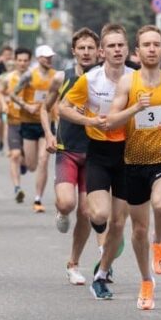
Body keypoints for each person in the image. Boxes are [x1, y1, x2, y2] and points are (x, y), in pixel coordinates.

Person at [105, 25, 161, 310]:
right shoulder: (128, 84)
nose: (152, 49)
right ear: (137, 51)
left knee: (160, 204)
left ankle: (160, 242)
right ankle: (146, 281)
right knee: (137, 230)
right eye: (146, 45)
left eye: (156, 44)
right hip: (134, 161)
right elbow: (110, 121)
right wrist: (135, 108)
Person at [57, 24, 133, 300]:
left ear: (127, 49)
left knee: (118, 224)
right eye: (111, 46)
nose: (116, 50)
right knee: (98, 215)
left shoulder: (136, 78)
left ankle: (101, 275)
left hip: (128, 153)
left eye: (120, 45)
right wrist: (89, 120)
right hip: (98, 152)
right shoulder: (90, 80)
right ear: (103, 52)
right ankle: (102, 248)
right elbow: (62, 107)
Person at [41, 28, 99, 286]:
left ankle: (73, 263)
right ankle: (61, 213)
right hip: (67, 150)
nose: (86, 53)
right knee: (67, 204)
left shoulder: (105, 79)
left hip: (96, 152)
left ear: (98, 52)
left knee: (86, 212)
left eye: (90, 48)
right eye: (81, 48)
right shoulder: (61, 78)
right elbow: (43, 109)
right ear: (74, 51)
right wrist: (49, 135)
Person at [13, 45, 57, 213]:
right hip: (28, 122)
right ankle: (24, 162)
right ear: (39, 58)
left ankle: (38, 198)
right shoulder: (29, 75)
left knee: (43, 160)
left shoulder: (56, 76)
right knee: (32, 165)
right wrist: (26, 106)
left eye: (51, 56)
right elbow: (13, 94)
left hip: (46, 123)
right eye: (46, 57)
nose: (49, 59)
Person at [1, 49, 31, 203]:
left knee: (27, 159)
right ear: (15, 61)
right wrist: (3, 104)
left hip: (30, 122)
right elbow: (0, 93)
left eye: (25, 60)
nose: (22, 63)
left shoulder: (33, 78)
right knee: (14, 155)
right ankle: (17, 188)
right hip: (13, 121)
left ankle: (24, 163)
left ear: (29, 62)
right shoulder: (8, 78)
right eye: (19, 60)